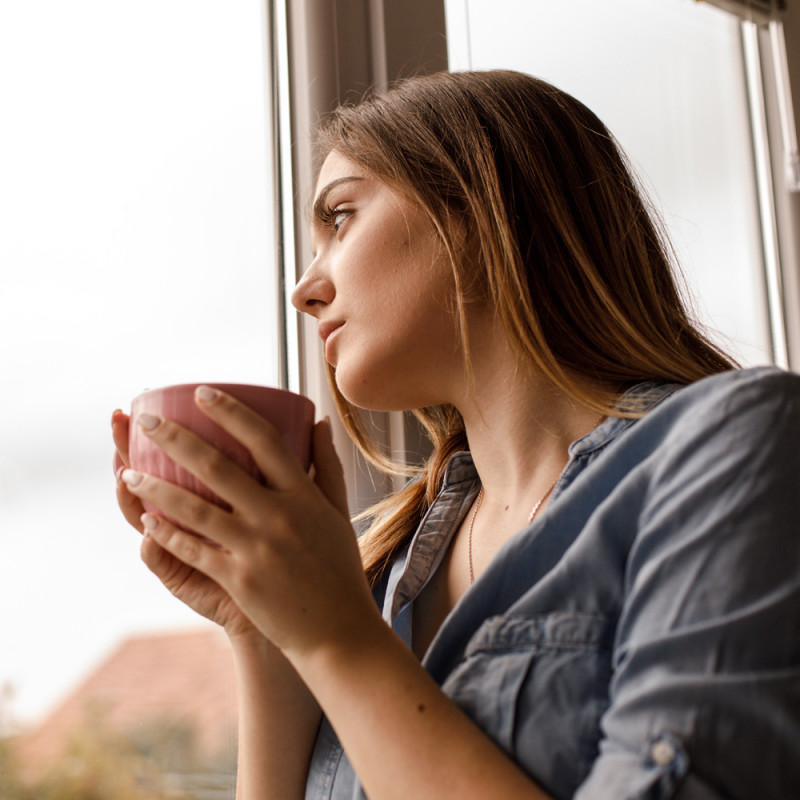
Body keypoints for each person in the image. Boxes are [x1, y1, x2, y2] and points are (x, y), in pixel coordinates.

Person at [112, 70, 800, 799]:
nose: (305, 289)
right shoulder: (376, 578)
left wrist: (334, 640)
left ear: (476, 203)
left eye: (340, 219)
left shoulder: (741, 445)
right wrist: (266, 635)